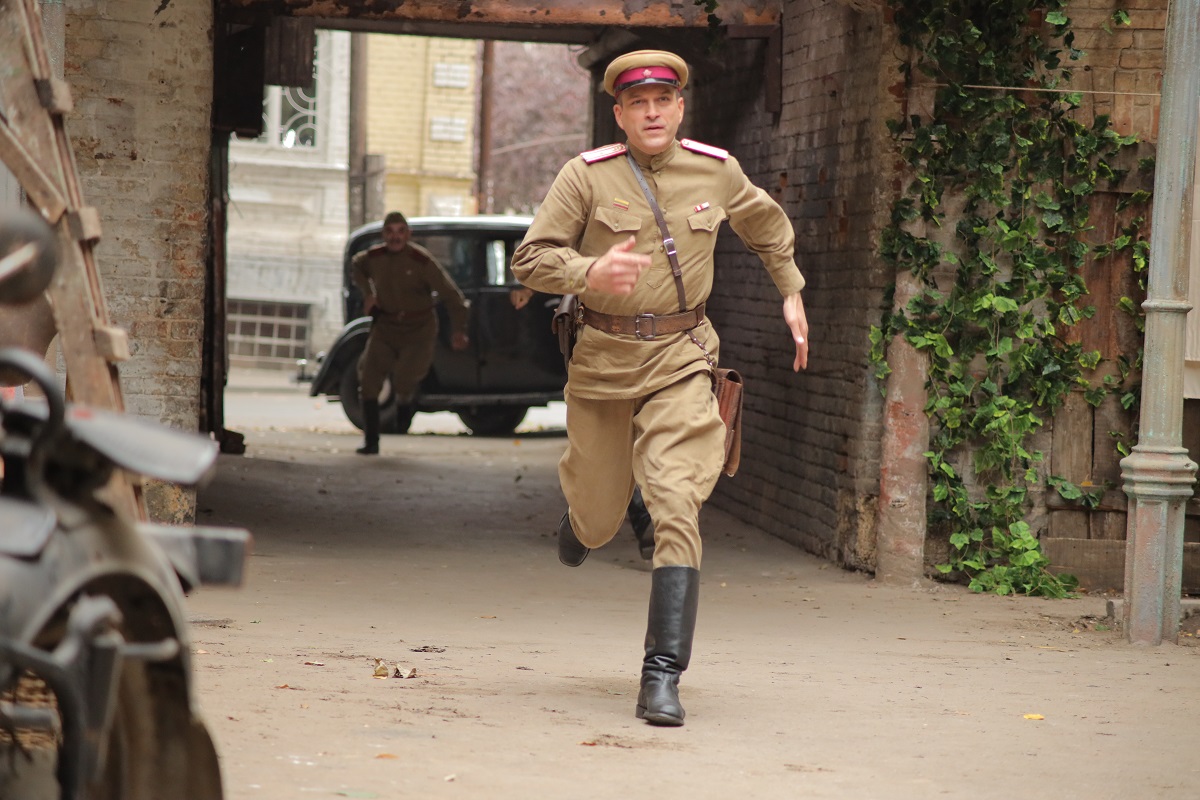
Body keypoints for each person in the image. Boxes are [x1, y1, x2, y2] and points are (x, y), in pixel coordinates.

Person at [511, 50, 809, 727]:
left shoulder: (715, 170)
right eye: (637, 103)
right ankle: (586, 522)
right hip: (603, 364)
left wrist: (790, 292)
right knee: (599, 513)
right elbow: (530, 259)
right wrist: (589, 271)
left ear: (679, 108)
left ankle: (661, 674)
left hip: (681, 355)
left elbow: (765, 226)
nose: (651, 112)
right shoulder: (585, 177)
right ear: (619, 113)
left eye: (663, 101)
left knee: (676, 500)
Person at [350, 211, 470, 454]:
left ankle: (404, 403)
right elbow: (356, 265)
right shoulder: (374, 257)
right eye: (390, 232)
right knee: (369, 379)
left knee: (406, 378)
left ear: (408, 234)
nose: (395, 237)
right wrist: (368, 293)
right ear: (384, 235)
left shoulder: (421, 261)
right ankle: (371, 441)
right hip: (386, 326)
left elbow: (452, 295)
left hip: (419, 329)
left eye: (400, 232)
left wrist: (459, 330)